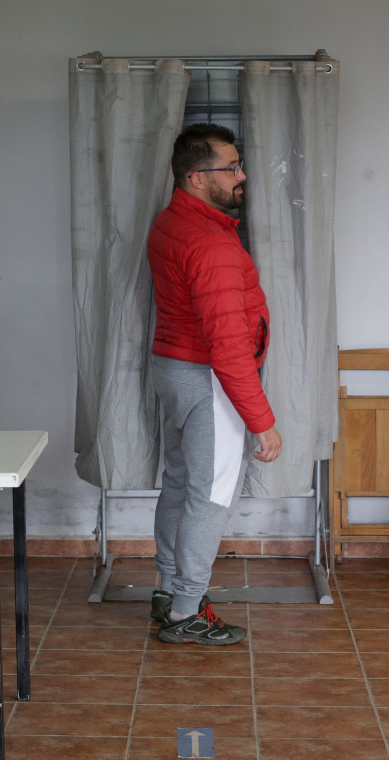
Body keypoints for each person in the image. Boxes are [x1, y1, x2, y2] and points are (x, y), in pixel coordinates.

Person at [146, 123, 282, 646]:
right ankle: (186, 610)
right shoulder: (210, 243)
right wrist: (261, 421)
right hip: (207, 379)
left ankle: (168, 590)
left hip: (174, 368)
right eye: (231, 168)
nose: (241, 176)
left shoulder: (172, 222)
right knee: (210, 495)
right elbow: (227, 345)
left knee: (180, 484)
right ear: (198, 178)